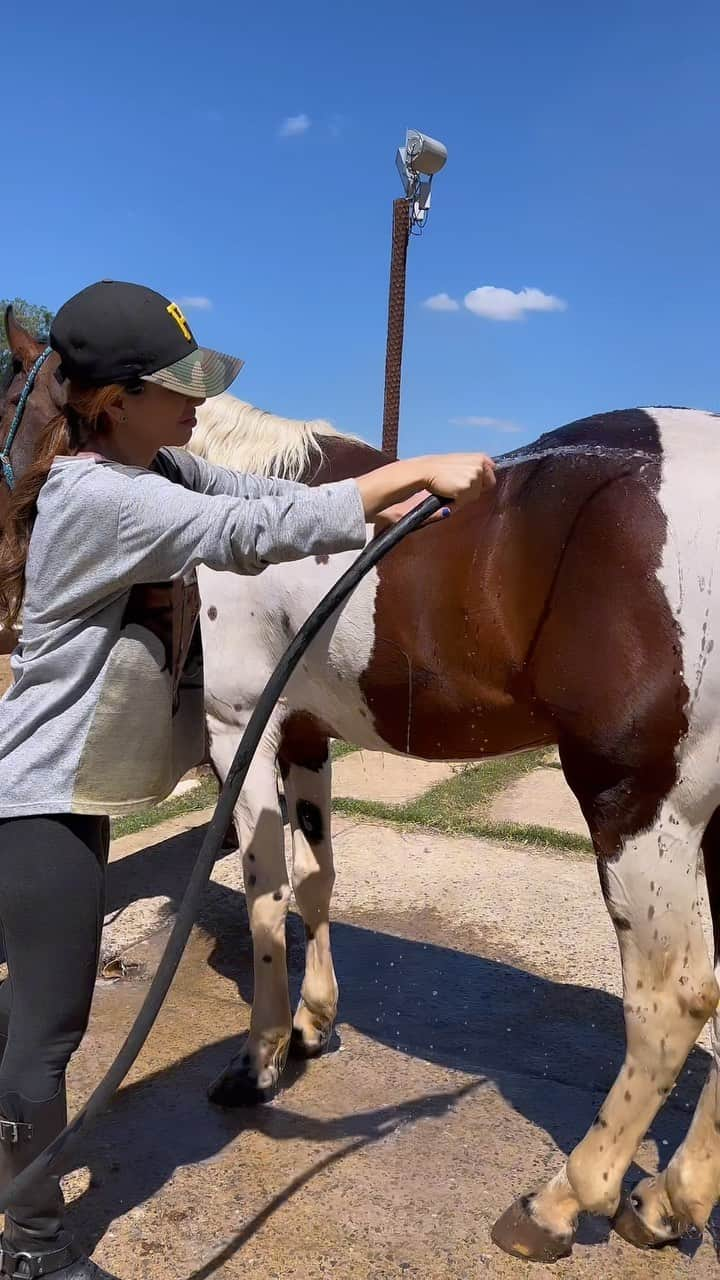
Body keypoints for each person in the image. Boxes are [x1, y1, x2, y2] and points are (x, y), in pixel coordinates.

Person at [0, 280, 496, 1278]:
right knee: (44, 1032)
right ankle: (30, 1245)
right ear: (111, 401)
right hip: (40, 797)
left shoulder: (161, 461)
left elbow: (258, 495)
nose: (196, 401)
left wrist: (385, 488)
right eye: (175, 386)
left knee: (42, 1022)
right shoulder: (101, 496)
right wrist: (421, 469)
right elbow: (248, 535)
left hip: (74, 789)